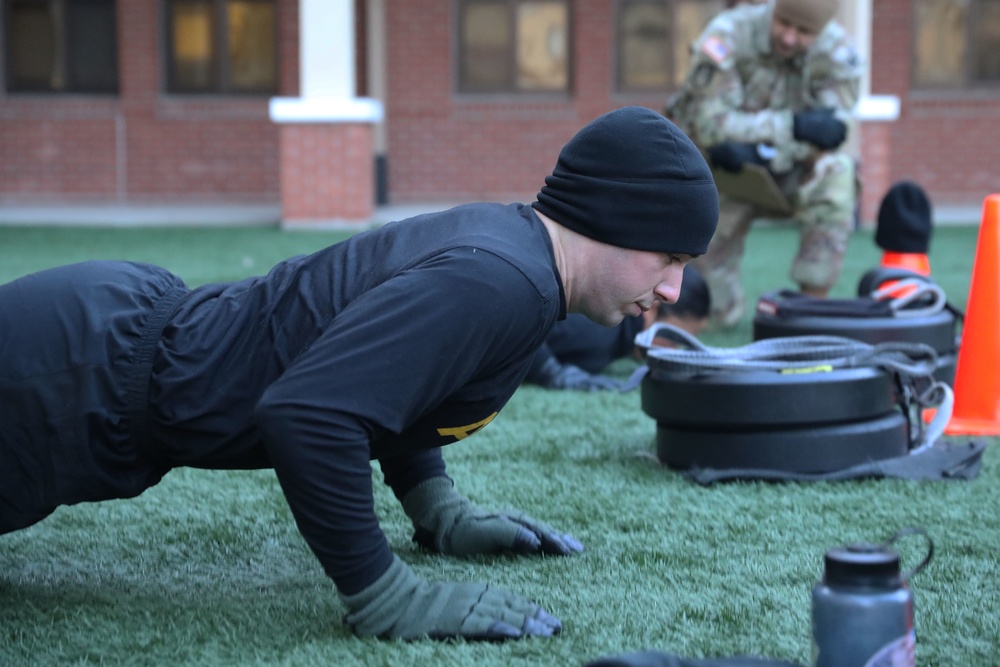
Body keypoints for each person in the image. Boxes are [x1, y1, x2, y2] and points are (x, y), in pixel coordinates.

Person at [0, 107, 718, 642]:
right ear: (613, 220)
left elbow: (394, 380)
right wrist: (385, 593)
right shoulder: (504, 281)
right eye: (669, 259)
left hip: (104, 352)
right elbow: (308, 411)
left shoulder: (518, 260)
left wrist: (436, 505)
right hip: (68, 380)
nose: (674, 292)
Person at [665, 0, 862, 327]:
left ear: (822, 30)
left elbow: (834, 130)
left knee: (838, 172)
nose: (788, 37)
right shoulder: (728, 34)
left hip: (787, 173)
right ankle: (715, 307)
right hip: (722, 176)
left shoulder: (838, 54)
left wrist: (758, 145)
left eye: (804, 31)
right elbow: (710, 124)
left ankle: (812, 308)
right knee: (715, 314)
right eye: (783, 22)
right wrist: (794, 126)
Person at [525, 264, 710, 390]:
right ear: (652, 309)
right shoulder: (602, 329)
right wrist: (550, 371)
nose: (673, 350)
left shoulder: (614, 335)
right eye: (673, 338)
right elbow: (525, 322)